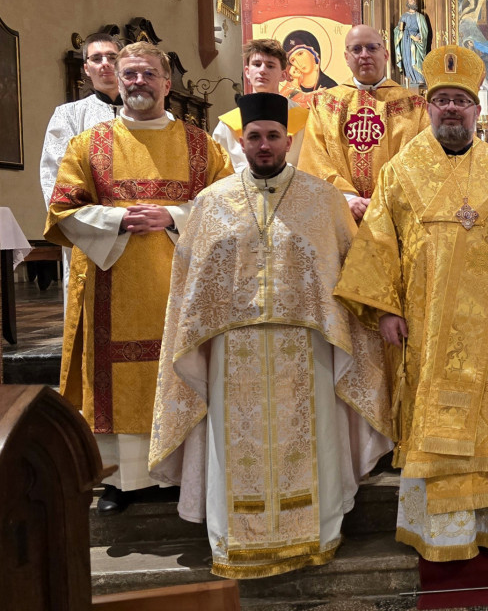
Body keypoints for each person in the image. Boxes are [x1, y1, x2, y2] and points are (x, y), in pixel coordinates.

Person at [148, 93, 392, 578]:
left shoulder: (324, 200)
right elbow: (188, 284)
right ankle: (234, 541)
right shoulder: (211, 203)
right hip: (230, 350)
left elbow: (351, 270)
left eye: (273, 136)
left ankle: (317, 533)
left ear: (288, 140)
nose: (264, 145)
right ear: (242, 141)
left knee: (315, 440)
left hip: (310, 348)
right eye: (255, 136)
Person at [334, 44, 488, 561]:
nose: (451, 109)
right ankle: (437, 532)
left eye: (461, 101)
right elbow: (379, 242)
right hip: (425, 326)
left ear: (477, 109)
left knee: (486, 424)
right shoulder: (399, 171)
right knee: (431, 421)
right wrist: (387, 308)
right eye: (442, 101)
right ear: (427, 107)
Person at [44, 41, 232, 514]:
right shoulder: (89, 144)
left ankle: (183, 472)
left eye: (148, 74)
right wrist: (116, 220)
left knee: (181, 367)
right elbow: (62, 208)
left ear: (167, 84)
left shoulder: (201, 145)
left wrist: (173, 216)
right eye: (129, 74)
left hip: (183, 284)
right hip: (113, 283)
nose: (137, 82)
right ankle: (120, 480)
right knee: (116, 375)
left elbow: (231, 208)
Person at [298, 24, 429, 221]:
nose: (364, 55)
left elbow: (423, 160)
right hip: (341, 213)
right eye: (356, 49)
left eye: (372, 48)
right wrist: (347, 198)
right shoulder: (324, 104)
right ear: (346, 57)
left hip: (396, 213)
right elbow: (314, 158)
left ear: (385, 54)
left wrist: (386, 198)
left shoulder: (414, 106)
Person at [40, 33, 128, 306]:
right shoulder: (68, 115)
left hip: (141, 227)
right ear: (86, 68)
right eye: (96, 58)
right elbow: (55, 174)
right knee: (90, 306)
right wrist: (87, 223)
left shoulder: (151, 117)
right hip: (90, 230)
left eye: (112, 57)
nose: (105, 63)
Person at [212, 39, 309, 171]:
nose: (262, 70)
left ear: (283, 75)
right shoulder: (227, 125)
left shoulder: (304, 121)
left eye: (270, 66)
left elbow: (312, 165)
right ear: (247, 72)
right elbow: (218, 171)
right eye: (257, 64)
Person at [282, 29, 339, 94]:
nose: (298, 63)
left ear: (314, 53)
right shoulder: (292, 86)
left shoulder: (330, 86)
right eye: (293, 60)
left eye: (300, 54)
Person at [395, 0, 430, 87]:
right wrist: (400, 30)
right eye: (410, 0)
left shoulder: (420, 17)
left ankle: (419, 78)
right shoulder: (404, 16)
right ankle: (410, 78)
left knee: (416, 58)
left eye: (414, 0)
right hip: (405, 40)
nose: (413, 1)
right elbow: (398, 29)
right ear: (408, 4)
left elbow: (424, 31)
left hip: (415, 40)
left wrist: (418, 37)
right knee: (407, 58)